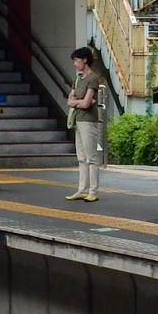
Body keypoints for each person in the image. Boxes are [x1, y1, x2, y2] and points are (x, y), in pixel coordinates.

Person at [66, 46, 105, 202]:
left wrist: (77, 102)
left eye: (76, 61)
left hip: (89, 121)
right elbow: (70, 101)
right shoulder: (78, 79)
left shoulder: (93, 78)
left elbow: (86, 103)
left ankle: (93, 191)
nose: (75, 64)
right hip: (78, 120)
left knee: (91, 157)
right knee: (81, 157)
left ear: (85, 60)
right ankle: (82, 189)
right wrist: (79, 102)